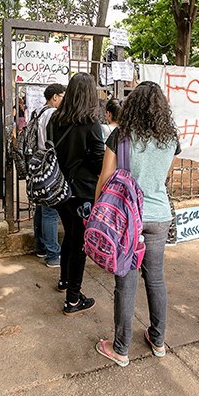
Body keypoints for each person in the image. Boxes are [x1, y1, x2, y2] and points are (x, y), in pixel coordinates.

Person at [93, 81, 180, 367]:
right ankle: (157, 340)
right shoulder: (171, 137)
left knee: (125, 282)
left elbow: (106, 178)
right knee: (155, 279)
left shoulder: (120, 135)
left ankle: (121, 348)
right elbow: (163, 177)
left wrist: (97, 212)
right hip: (159, 216)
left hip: (127, 220)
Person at [47, 73, 105, 315]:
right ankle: (73, 298)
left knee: (70, 235)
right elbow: (99, 159)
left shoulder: (55, 119)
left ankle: (64, 281)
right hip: (82, 193)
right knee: (79, 242)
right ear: (89, 94)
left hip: (60, 189)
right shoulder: (90, 123)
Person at [33, 83, 65, 268]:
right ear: (55, 97)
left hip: (39, 163)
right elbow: (55, 142)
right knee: (50, 211)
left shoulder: (38, 111)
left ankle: (41, 247)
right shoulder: (53, 114)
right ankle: (53, 254)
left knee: (41, 207)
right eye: (62, 96)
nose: (64, 100)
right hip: (51, 164)